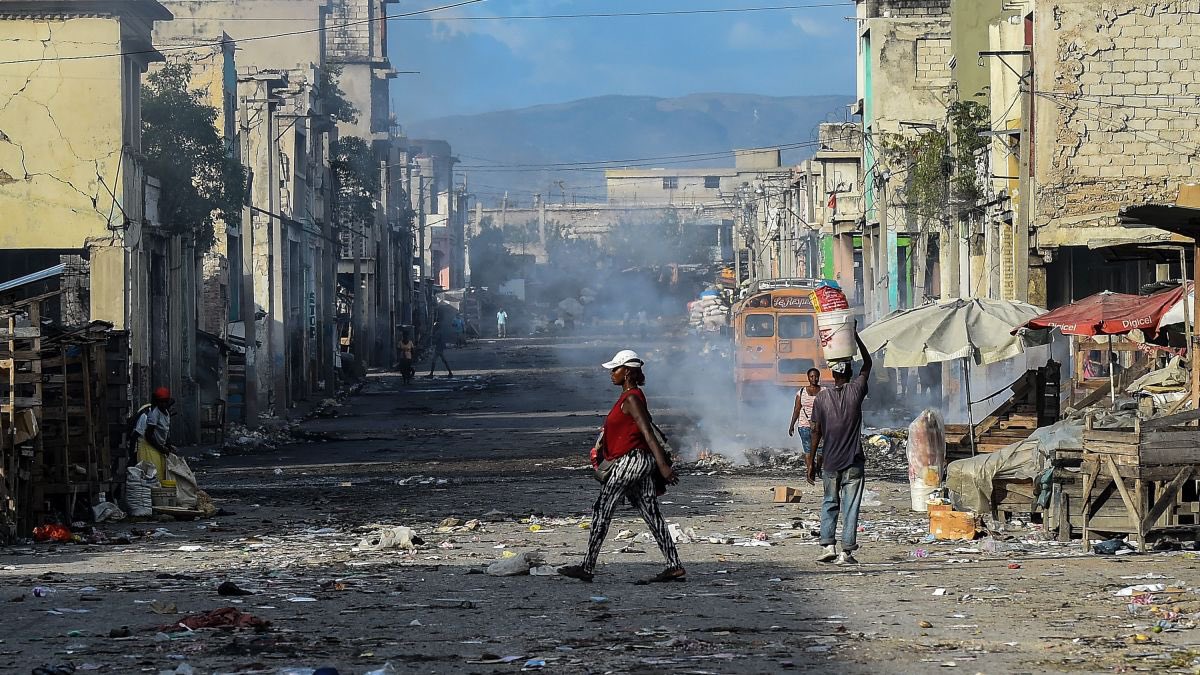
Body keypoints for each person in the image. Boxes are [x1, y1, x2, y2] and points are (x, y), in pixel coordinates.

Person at [560, 349, 683, 583]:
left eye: (615, 369)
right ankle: (674, 565)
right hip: (638, 462)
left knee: (602, 510)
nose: (611, 374)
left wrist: (664, 467)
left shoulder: (632, 399)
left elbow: (648, 433)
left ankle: (587, 567)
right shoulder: (630, 397)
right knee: (651, 513)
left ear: (627, 372)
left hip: (631, 461)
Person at [807, 327, 872, 565]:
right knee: (851, 506)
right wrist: (855, 337)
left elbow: (816, 431)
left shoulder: (822, 398)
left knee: (829, 502)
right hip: (854, 460)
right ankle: (847, 552)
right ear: (850, 372)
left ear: (831, 374)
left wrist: (811, 461)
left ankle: (828, 546)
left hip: (830, 462)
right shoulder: (856, 390)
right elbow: (868, 363)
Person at [132, 386, 175, 480]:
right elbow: (148, 436)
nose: (163, 404)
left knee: (162, 474)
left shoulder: (166, 412)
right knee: (153, 475)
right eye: (161, 402)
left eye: (165, 402)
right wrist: (161, 448)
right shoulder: (154, 414)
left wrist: (168, 445)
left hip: (157, 446)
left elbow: (164, 431)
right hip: (149, 447)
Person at [787, 367, 822, 455]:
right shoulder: (801, 392)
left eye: (816, 376)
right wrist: (792, 425)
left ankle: (815, 468)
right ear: (808, 378)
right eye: (811, 376)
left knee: (820, 451)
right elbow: (796, 410)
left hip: (820, 426)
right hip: (804, 426)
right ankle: (810, 468)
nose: (814, 379)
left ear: (819, 377)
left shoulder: (824, 391)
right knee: (808, 450)